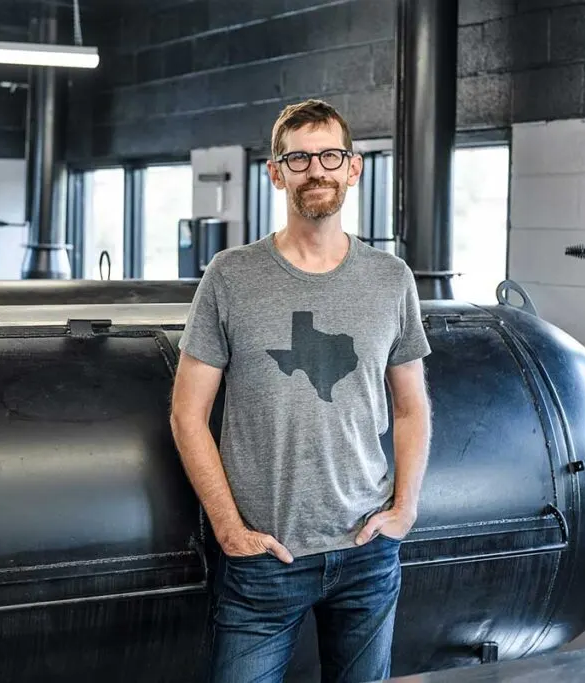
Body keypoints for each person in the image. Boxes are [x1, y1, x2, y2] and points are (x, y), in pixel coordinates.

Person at [169, 98, 433, 683]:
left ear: (353, 167)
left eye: (330, 156)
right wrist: (229, 529)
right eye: (300, 158)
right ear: (276, 171)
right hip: (264, 559)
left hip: (368, 551)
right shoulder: (230, 276)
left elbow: (411, 409)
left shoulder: (391, 279)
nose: (317, 170)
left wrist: (405, 509)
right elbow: (188, 415)